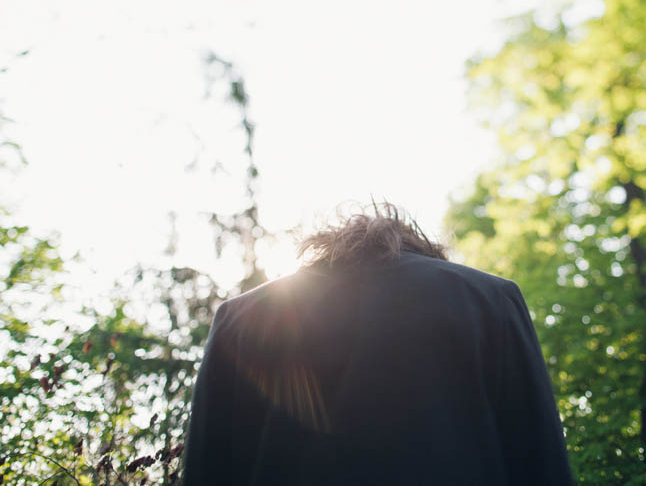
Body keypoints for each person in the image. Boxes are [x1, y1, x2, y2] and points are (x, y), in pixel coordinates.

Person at [181, 203, 573, 485]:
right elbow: (540, 462)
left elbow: (205, 470)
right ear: (421, 250)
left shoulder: (240, 318)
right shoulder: (490, 300)